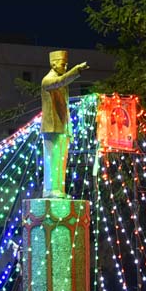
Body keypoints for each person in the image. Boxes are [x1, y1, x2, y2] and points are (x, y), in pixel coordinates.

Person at [40, 50, 88, 198]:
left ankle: (59, 189)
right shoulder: (48, 80)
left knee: (61, 161)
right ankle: (49, 190)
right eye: (63, 64)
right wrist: (76, 70)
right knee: (52, 159)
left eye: (67, 65)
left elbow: (65, 107)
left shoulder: (61, 82)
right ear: (53, 64)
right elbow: (61, 81)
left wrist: (69, 129)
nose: (65, 67)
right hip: (51, 127)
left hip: (62, 127)